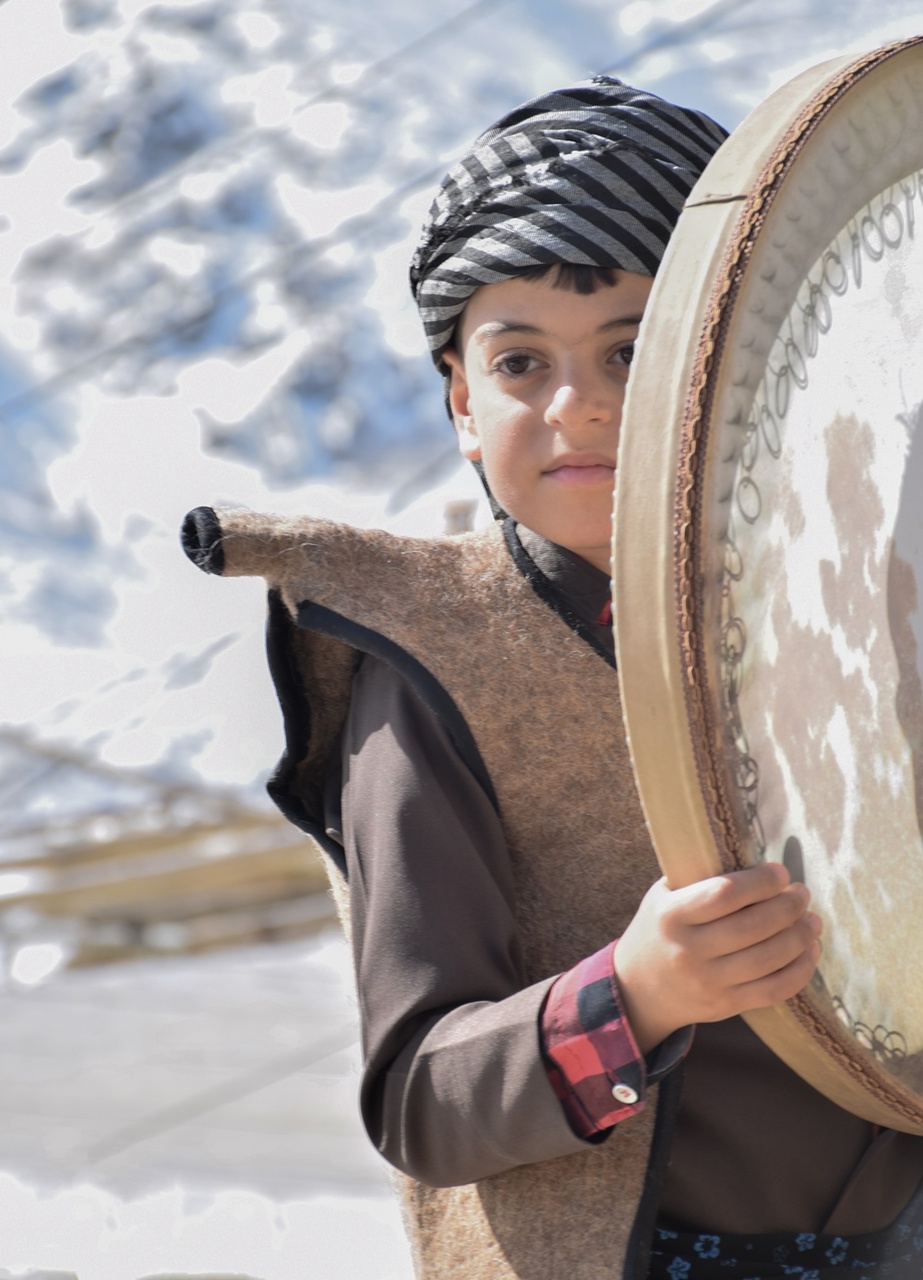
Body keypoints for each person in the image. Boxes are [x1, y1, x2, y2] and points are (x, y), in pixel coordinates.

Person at [188, 77, 923, 1279]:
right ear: (460, 405)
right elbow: (422, 1099)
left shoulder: (855, 600)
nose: (575, 409)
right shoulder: (432, 665)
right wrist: (635, 992)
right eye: (520, 362)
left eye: (633, 350)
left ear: (740, 365)